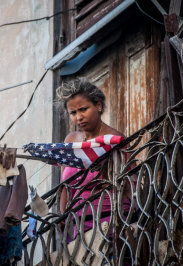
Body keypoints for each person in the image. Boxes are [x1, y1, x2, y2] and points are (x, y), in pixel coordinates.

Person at [56, 78, 130, 237]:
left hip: (110, 220)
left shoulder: (113, 139)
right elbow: (65, 185)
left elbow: (127, 185)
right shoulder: (70, 140)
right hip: (79, 224)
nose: (79, 117)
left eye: (83, 109)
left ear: (98, 105)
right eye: (73, 113)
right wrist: (63, 214)